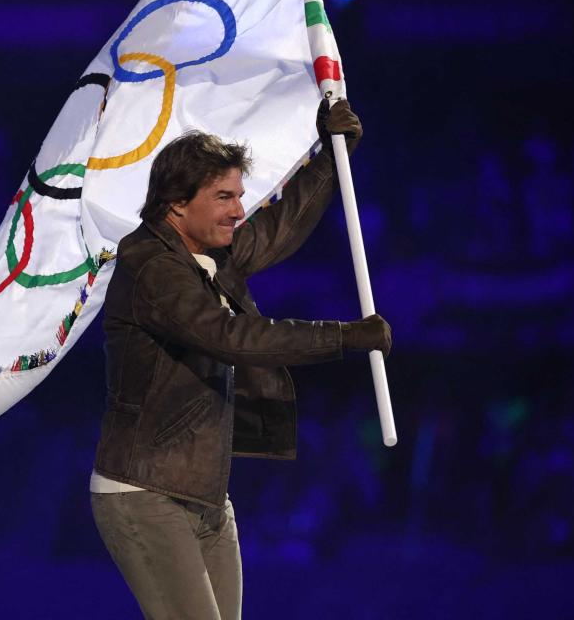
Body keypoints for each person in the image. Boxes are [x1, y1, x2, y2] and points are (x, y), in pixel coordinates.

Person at [89, 100, 391, 620]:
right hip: (144, 492)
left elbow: (278, 229)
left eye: (239, 196)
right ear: (177, 204)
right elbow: (230, 337)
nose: (237, 210)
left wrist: (331, 156)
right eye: (224, 197)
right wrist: (342, 337)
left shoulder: (207, 253)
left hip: (204, 493)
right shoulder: (151, 267)